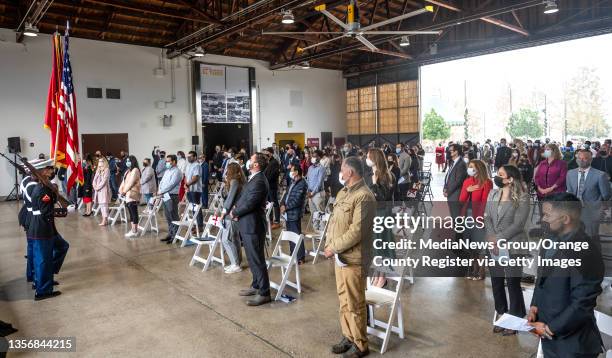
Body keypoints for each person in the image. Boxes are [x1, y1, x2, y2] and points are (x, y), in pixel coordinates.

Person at [528, 193, 604, 357]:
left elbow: (582, 304)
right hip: (549, 336)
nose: (543, 220)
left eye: (547, 215)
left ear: (565, 219)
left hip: (572, 345)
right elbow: (542, 277)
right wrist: (535, 305)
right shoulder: (550, 240)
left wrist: (550, 328)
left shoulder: (585, 253)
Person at [324, 156, 376, 358]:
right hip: (341, 256)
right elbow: (335, 222)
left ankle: (361, 345)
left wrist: (333, 247)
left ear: (351, 172)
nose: (340, 172)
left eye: (342, 169)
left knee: (355, 303)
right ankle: (348, 336)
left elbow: (357, 231)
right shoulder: (343, 192)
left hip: (354, 258)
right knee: (344, 300)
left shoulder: (364, 196)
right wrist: (330, 244)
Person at [485, 165, 530, 335]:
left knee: (512, 283)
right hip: (493, 245)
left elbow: (518, 225)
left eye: (501, 175)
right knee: (496, 282)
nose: (497, 177)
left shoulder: (523, 198)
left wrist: (498, 238)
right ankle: (502, 315)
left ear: (510, 179)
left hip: (513, 245)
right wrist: (491, 238)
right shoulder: (493, 194)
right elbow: (487, 217)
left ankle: (515, 320)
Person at [231, 153, 271, 306]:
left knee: (257, 259)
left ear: (256, 165)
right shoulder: (254, 178)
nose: (249, 161)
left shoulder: (260, 181)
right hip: (247, 223)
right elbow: (244, 198)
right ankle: (256, 285)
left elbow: (251, 203)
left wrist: (235, 212)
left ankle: (264, 292)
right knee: (251, 257)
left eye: (251, 160)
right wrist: (236, 207)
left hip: (253, 225)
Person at [27, 165, 69, 301]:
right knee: (43, 260)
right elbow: (46, 212)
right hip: (42, 228)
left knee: (62, 246)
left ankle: (43, 279)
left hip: (42, 227)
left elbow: (52, 201)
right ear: (44, 173)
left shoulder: (42, 187)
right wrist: (64, 211)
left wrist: (55, 191)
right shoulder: (43, 190)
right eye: (51, 171)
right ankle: (43, 291)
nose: (53, 173)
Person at [565, 149, 611, 239]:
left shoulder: (600, 175)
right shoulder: (570, 173)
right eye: (579, 158)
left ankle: (595, 253)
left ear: (590, 160)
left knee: (591, 237)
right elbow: (570, 191)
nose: (581, 160)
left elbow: (606, 195)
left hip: (592, 211)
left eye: (585, 158)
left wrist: (598, 207)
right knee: (574, 236)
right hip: (574, 210)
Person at [459, 159, 492, 280]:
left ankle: (481, 271)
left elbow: (485, 202)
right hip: (466, 215)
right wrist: (467, 190)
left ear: (479, 168)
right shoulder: (467, 181)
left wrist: (480, 219)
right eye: (469, 166)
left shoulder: (487, 183)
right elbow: (461, 199)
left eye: (472, 166)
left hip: (479, 216)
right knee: (470, 244)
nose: (470, 169)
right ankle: (473, 268)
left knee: (480, 245)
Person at [366, 148, 394, 288]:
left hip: (382, 215)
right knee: (375, 247)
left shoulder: (385, 175)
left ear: (375, 159)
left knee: (381, 246)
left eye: (369, 157)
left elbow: (383, 198)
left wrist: (375, 184)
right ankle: (377, 274)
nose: (367, 159)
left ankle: (382, 276)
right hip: (373, 214)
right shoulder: (372, 173)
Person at [219, 162, 246, 274]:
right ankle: (236, 262)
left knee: (227, 239)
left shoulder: (234, 181)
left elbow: (230, 198)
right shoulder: (240, 181)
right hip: (235, 214)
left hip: (230, 214)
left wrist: (223, 212)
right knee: (235, 239)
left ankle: (235, 264)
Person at [281, 165, 308, 264]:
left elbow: (297, 201)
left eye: (292, 171)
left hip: (294, 213)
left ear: (297, 172)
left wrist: (286, 207)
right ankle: (293, 254)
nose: (290, 172)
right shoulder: (293, 182)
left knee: (296, 235)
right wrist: (282, 203)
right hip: (288, 214)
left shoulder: (302, 184)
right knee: (290, 235)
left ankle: (300, 257)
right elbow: (286, 195)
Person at [158, 155, 183, 244]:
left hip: (172, 196)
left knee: (173, 216)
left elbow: (171, 184)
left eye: (169, 161)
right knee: (168, 216)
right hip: (165, 195)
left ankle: (175, 236)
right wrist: (160, 190)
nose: (167, 163)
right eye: (166, 161)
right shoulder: (167, 171)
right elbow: (162, 182)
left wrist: (161, 191)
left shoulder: (177, 172)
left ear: (174, 161)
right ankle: (170, 233)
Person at [119, 155, 141, 238]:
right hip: (127, 195)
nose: (127, 162)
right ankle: (132, 229)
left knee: (133, 212)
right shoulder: (128, 171)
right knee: (131, 213)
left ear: (133, 161)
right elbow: (124, 182)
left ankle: (135, 231)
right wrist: (120, 190)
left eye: (129, 161)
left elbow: (131, 182)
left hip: (132, 194)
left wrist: (124, 191)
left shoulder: (135, 170)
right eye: (127, 161)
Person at [443, 144, 467, 219]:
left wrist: (448, 191)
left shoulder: (461, 163)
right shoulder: (453, 162)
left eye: (450, 151)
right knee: (453, 215)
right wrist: (445, 187)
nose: (448, 152)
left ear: (456, 152)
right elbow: (449, 176)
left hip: (455, 194)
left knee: (456, 216)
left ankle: (458, 230)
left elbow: (458, 181)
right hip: (450, 193)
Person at [185, 151, 204, 230]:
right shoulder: (188, 165)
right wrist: (185, 185)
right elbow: (186, 177)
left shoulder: (197, 166)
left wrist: (187, 184)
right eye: (188, 156)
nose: (188, 158)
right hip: (189, 189)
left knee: (196, 209)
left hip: (195, 190)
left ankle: (199, 226)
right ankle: (194, 224)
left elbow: (195, 178)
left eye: (190, 156)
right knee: (192, 208)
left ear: (195, 157)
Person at [263, 148, 281, 229]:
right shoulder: (268, 162)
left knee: (275, 203)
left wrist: (265, 179)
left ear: (270, 153)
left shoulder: (274, 162)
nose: (266, 154)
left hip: (272, 186)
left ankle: (277, 221)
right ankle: (270, 220)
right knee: (268, 204)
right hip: (267, 186)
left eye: (267, 153)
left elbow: (274, 174)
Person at [93, 156, 112, 226]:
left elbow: (104, 181)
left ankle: (104, 220)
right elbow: (94, 179)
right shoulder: (98, 170)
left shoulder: (107, 170)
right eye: (99, 161)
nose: (100, 163)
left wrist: (97, 187)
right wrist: (94, 185)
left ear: (104, 162)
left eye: (101, 161)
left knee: (104, 205)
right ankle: (105, 219)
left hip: (104, 190)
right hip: (98, 190)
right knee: (101, 205)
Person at [307, 150, 326, 214]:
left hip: (318, 194)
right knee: (313, 215)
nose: (313, 158)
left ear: (319, 158)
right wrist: (308, 191)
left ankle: (322, 224)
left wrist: (312, 193)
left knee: (320, 215)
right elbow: (308, 180)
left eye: (315, 156)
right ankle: (315, 224)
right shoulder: (310, 168)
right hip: (310, 194)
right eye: (313, 156)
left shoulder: (321, 168)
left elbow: (319, 183)